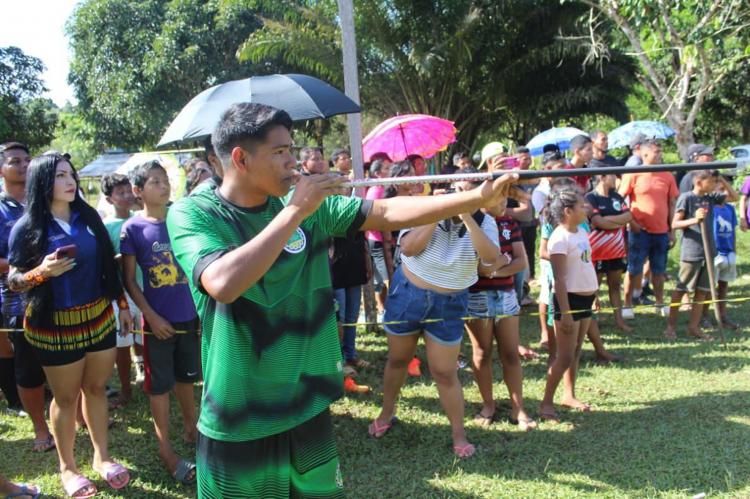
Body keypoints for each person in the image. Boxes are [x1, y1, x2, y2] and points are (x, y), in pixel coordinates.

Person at [166, 103, 520, 497]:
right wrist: (297, 211)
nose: (294, 161)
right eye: (280, 152)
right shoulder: (194, 214)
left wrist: (471, 199)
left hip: (307, 405)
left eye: (292, 149)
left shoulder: (303, 205)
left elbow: (385, 210)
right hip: (239, 416)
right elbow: (224, 283)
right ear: (240, 158)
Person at [8, 153, 132, 497]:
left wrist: (121, 303)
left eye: (71, 174)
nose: (70, 181)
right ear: (42, 181)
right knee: (64, 398)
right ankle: (67, 469)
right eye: (60, 175)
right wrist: (41, 273)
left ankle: (102, 458)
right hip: (54, 325)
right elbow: (15, 281)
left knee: (96, 389)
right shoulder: (27, 227)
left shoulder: (88, 217)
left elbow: (109, 265)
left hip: (99, 318)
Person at [372, 175, 502, 459]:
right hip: (408, 294)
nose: (461, 197)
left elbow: (490, 259)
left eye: (469, 193)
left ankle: (459, 434)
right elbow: (408, 248)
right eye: (457, 192)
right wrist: (438, 210)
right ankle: (386, 413)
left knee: (445, 372)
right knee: (398, 360)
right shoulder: (423, 208)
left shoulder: (484, 221)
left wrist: (467, 216)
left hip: (450, 303)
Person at [120, 161, 200, 485]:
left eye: (165, 180)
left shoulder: (182, 220)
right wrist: (151, 316)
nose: (164, 186)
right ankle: (165, 448)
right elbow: (129, 280)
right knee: (159, 386)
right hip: (156, 324)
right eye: (155, 182)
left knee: (187, 378)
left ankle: (193, 429)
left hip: (188, 317)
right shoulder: (133, 229)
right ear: (139, 191)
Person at [465, 195, 536, 431]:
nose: (504, 204)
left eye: (505, 200)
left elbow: (520, 262)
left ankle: (519, 408)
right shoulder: (471, 224)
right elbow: (475, 267)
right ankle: (488, 405)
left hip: (505, 296)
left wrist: (495, 270)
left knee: (511, 354)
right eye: (497, 199)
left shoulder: (509, 224)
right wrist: (497, 265)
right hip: (476, 298)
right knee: (482, 353)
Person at [0, 142, 53, 452]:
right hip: (17, 299)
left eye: (26, 160)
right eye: (14, 161)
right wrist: (35, 267)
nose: (22, 165)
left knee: (64, 360)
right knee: (29, 367)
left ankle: (74, 417)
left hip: (59, 295)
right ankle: (40, 428)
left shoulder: (47, 200)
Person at [539, 187, 598, 422]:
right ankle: (545, 403)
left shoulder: (581, 233)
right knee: (563, 356)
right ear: (567, 211)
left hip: (585, 298)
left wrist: (595, 293)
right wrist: (563, 313)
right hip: (569, 301)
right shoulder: (559, 238)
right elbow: (559, 279)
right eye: (581, 205)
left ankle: (569, 395)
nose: (586, 208)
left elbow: (586, 265)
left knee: (575, 351)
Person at [664, 170, 738, 340]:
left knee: (702, 291)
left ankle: (694, 327)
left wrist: (721, 180)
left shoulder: (710, 198)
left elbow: (733, 197)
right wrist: (694, 220)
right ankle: (670, 327)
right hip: (692, 251)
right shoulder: (687, 198)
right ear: (698, 182)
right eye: (712, 182)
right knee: (681, 289)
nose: (715, 186)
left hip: (709, 251)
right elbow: (675, 224)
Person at [618, 139, 678, 318]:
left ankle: (660, 303)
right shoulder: (633, 174)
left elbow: (672, 203)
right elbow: (619, 199)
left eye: (660, 151)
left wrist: (672, 229)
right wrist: (631, 222)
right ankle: (627, 304)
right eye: (656, 152)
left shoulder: (667, 175)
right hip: (639, 231)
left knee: (659, 270)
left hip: (661, 232)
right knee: (634, 269)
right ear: (644, 155)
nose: (660, 154)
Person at [100, 173, 144, 408]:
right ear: (109, 200)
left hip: (144, 290)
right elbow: (105, 262)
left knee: (143, 338)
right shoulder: (105, 227)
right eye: (120, 193)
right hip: (121, 295)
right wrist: (124, 256)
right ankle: (126, 389)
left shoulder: (141, 218)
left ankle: (146, 377)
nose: (127, 196)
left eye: (129, 190)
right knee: (122, 343)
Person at [585, 173, 633, 332]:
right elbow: (597, 222)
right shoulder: (591, 198)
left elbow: (628, 216)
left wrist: (607, 221)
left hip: (617, 250)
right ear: (602, 177)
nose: (616, 179)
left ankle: (619, 321)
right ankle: (591, 323)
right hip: (597, 251)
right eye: (613, 175)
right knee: (593, 287)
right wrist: (617, 221)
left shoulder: (617, 196)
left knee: (615, 285)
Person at [365, 159, 393, 321]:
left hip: (379, 238)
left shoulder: (381, 188)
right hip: (377, 239)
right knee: (386, 275)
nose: (389, 171)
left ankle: (384, 309)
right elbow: (375, 218)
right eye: (386, 168)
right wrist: (386, 235)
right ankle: (389, 309)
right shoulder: (376, 190)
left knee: (382, 277)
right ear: (377, 173)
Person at [711, 179, 739, 329]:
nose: (724, 192)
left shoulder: (729, 208)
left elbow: (733, 231)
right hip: (715, 253)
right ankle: (705, 316)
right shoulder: (711, 208)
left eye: (725, 189)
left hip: (728, 252)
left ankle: (722, 315)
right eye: (720, 189)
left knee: (723, 284)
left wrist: (733, 250)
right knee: (708, 287)